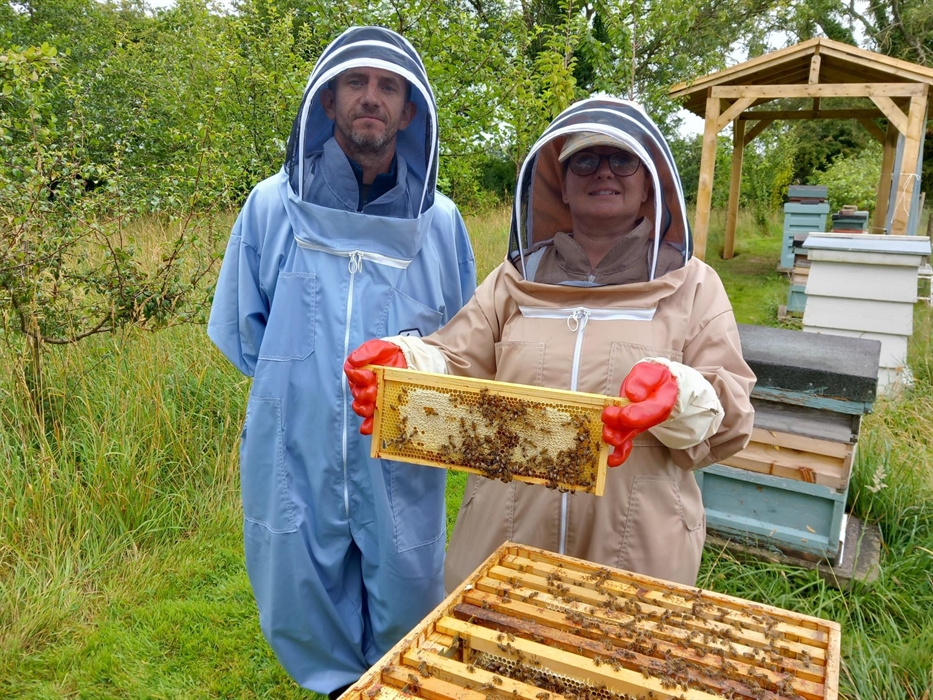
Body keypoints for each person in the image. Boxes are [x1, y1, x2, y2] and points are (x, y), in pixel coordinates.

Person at [345, 98, 755, 592]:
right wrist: (405, 363)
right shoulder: (514, 280)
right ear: (561, 181)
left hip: (637, 549)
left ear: (649, 182)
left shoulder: (694, 286)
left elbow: (730, 418)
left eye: (621, 159)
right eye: (584, 160)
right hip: (502, 543)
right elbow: (455, 359)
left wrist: (679, 396)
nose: (603, 171)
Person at [208, 26, 476, 698]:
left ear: (409, 112)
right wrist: (299, 389)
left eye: (388, 87)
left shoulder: (440, 222)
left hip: (403, 451)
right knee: (300, 580)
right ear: (327, 102)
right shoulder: (271, 207)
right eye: (355, 83)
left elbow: (461, 345)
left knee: (409, 583)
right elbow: (246, 330)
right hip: (292, 439)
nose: (370, 98)